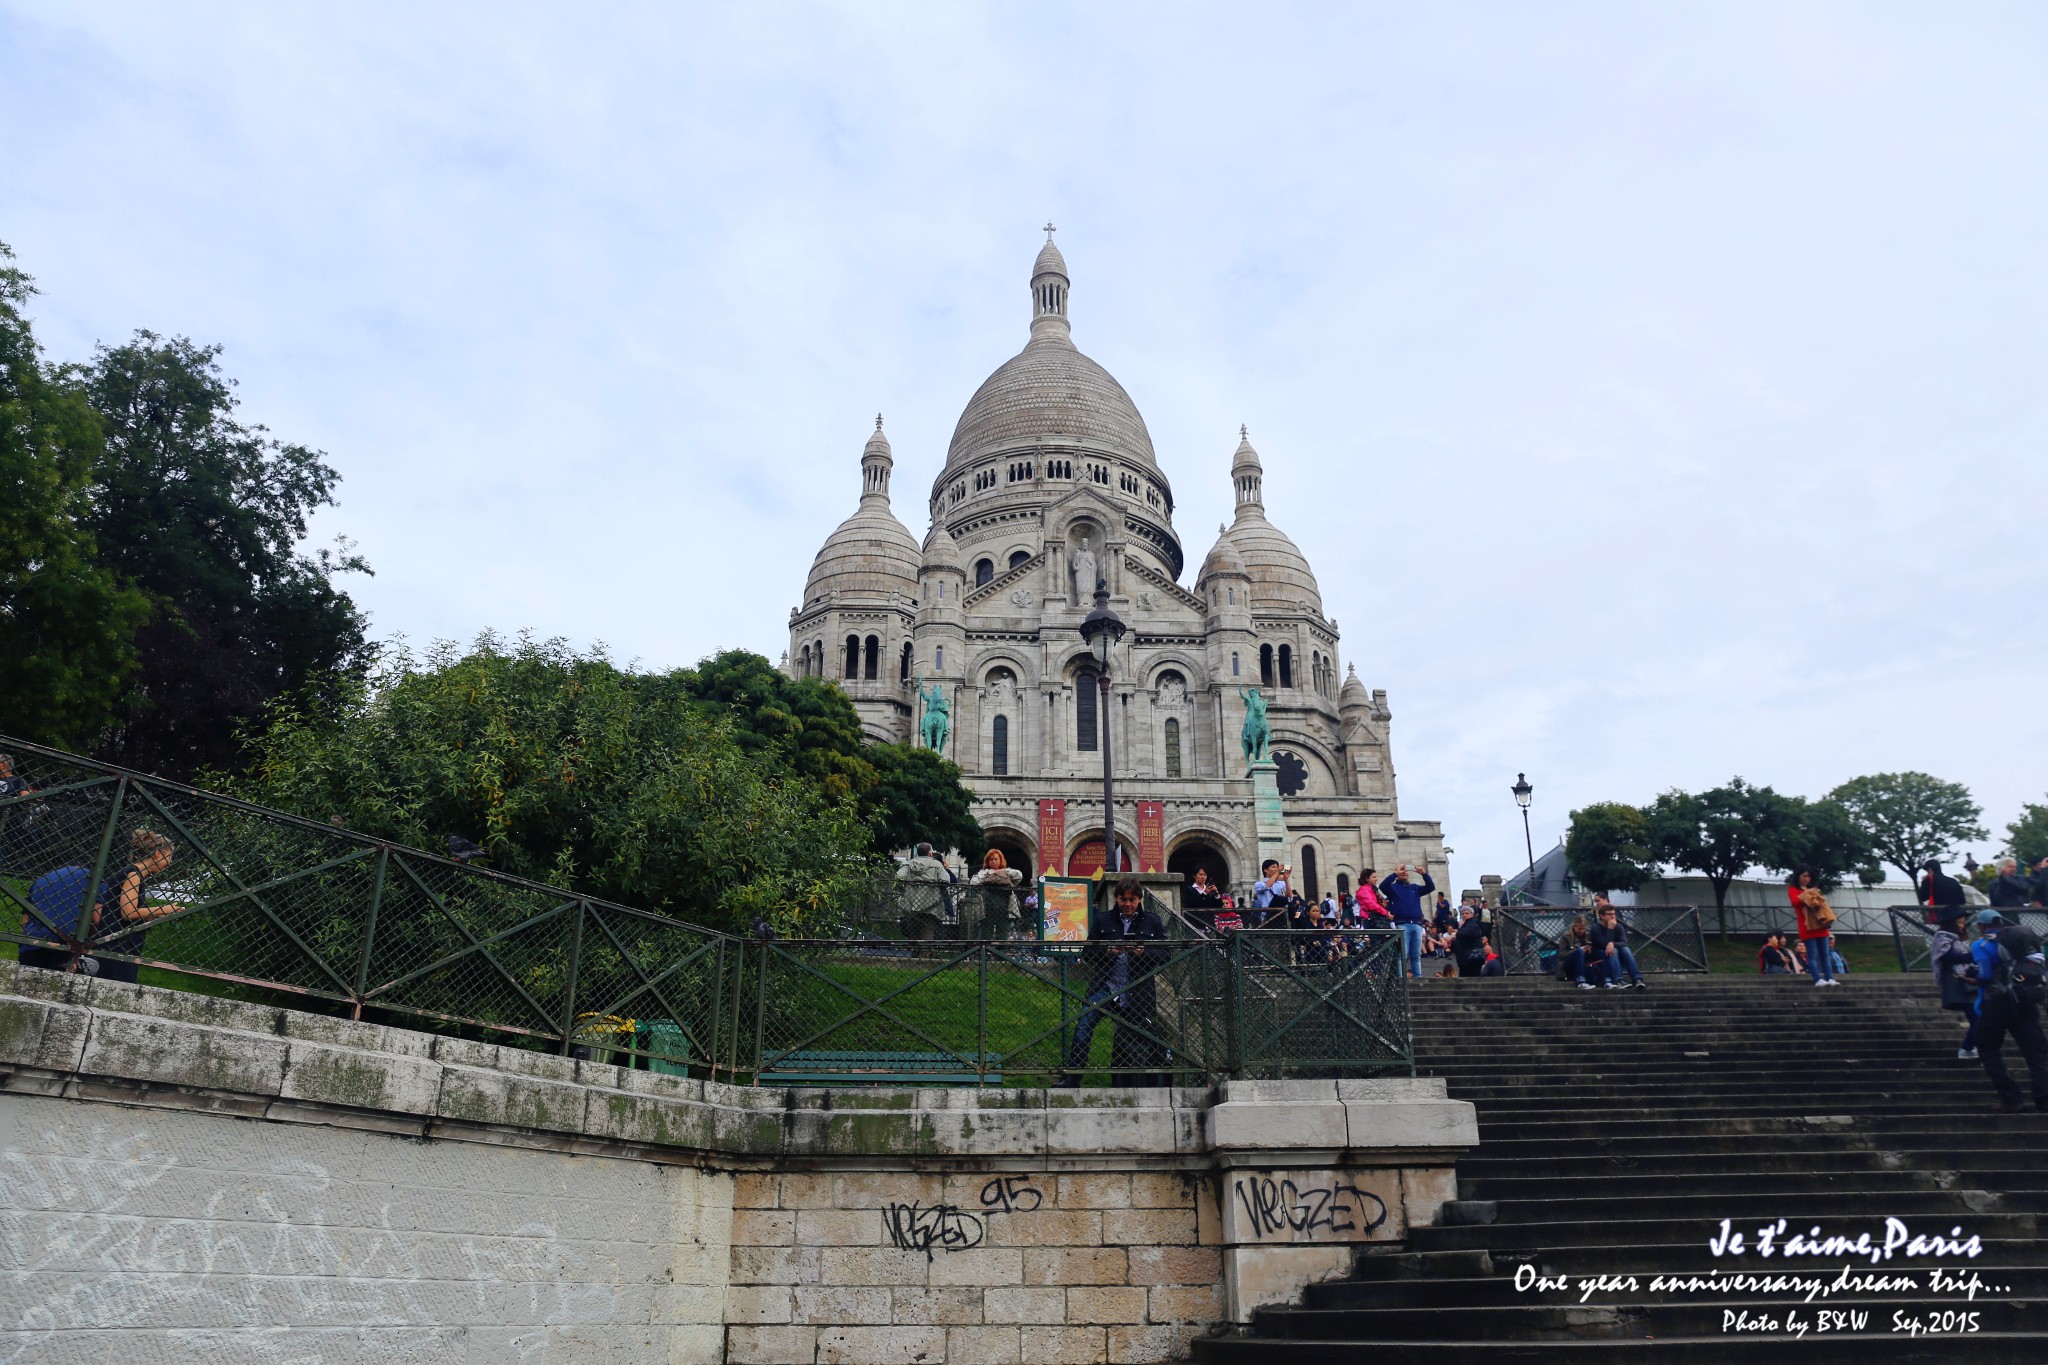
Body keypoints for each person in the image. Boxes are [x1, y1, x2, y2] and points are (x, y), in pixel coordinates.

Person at [1062, 879, 1167, 1087]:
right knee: (1084, 1025)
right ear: (1116, 898)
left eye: (1132, 900)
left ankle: (1139, 1082)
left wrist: (1143, 953)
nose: (1127, 904)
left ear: (1139, 899)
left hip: (1138, 992)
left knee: (1142, 1036)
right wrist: (1108, 950)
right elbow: (1088, 953)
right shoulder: (1103, 920)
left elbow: (1166, 955)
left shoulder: (1152, 921)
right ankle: (1073, 1078)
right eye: (1123, 899)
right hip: (1106, 987)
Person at [1964, 909, 2048, 1113]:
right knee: (2036, 1053)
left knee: (1987, 1049)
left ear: (1982, 926)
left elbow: (1984, 976)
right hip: (2024, 999)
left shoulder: (1981, 945)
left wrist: (1971, 977)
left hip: (1997, 1002)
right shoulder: (2018, 944)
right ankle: (2044, 1100)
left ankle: (2011, 1098)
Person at [91, 829, 189, 984]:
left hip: (118, 945)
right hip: (117, 948)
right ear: (158, 854)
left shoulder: (132, 873)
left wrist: (152, 914)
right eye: (169, 857)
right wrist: (164, 909)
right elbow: (128, 912)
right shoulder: (134, 875)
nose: (169, 863)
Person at [1930, 907, 1980, 1060]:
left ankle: (1970, 1047)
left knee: (1977, 1017)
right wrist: (1971, 956)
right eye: (1959, 922)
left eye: (1963, 922)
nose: (1962, 925)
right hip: (1956, 981)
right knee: (1977, 1018)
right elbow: (1947, 956)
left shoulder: (1958, 939)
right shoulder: (1942, 937)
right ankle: (1967, 1048)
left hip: (1965, 981)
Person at [1380, 863, 1435, 980]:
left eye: (1406, 871)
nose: (1404, 873)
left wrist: (1424, 874)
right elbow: (1383, 886)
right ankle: (1400, 978)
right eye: (1402, 871)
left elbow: (1431, 887)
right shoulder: (1393, 888)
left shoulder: (1415, 888)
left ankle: (1418, 978)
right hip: (1402, 924)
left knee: (1416, 955)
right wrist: (1395, 873)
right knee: (1402, 954)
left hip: (1416, 924)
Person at [1787, 867, 1838, 987]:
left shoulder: (1813, 889)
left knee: (1825, 954)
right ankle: (1817, 979)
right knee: (1812, 954)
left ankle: (1829, 977)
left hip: (1820, 925)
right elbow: (1795, 902)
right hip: (1807, 926)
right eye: (1804, 876)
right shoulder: (1793, 889)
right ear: (1798, 876)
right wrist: (1808, 896)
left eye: (1808, 876)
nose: (1806, 879)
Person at [968, 848, 1024, 938]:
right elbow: (973, 882)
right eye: (991, 859)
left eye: (996, 859)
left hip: (1005, 904)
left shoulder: (1007, 871)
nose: (994, 862)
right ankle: (985, 949)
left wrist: (1004, 872)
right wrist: (987, 873)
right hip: (987, 904)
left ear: (1000, 860)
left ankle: (1001, 950)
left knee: (1003, 930)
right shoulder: (984, 872)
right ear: (988, 862)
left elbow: (1019, 875)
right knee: (986, 930)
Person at [1590, 903, 1646, 990]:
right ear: (1602, 916)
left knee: (1625, 949)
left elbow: (1624, 943)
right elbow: (1603, 945)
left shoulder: (1619, 927)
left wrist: (1613, 943)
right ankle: (1618, 980)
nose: (1613, 916)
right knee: (1614, 950)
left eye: (1614, 914)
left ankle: (1637, 979)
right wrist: (1610, 929)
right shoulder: (1595, 928)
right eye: (1610, 914)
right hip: (1601, 955)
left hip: (1616, 956)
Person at [0, 753, 36, 877]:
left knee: (8, 848)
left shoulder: (18, 780)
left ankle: (17, 874)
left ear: (3, 765)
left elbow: (26, 796)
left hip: (11, 822)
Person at [1452, 905, 1490, 978]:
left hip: (1471, 956)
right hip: (1467, 957)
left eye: (1467, 913)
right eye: (1463, 914)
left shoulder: (1473, 923)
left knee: (1469, 977)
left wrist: (1457, 934)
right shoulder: (1466, 924)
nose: (1464, 915)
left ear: (1472, 914)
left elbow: (1468, 933)